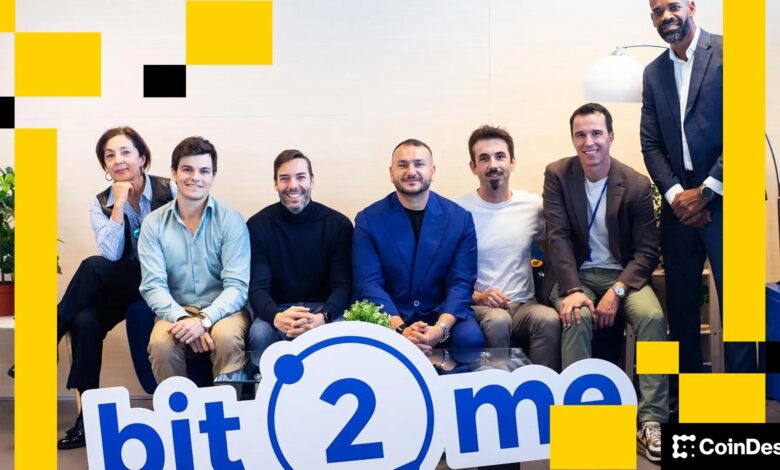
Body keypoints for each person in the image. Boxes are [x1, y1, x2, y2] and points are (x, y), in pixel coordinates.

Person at [544, 103, 668, 462]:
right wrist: (573, 290)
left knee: (653, 318)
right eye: (580, 134)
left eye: (596, 133)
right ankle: (581, 420)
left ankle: (652, 420)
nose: (589, 141)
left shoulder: (636, 184)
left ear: (610, 136)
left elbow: (647, 252)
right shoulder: (557, 175)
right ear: (573, 139)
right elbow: (557, 238)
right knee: (577, 315)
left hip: (623, 276)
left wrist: (617, 291)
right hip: (576, 274)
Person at [641, 0, 756, 373]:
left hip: (730, 195)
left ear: (691, 6)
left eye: (673, 6)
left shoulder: (732, 52)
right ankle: (690, 396)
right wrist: (678, 196)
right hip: (679, 204)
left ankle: (741, 399)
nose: (666, 16)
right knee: (681, 306)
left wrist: (706, 192)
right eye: (658, 11)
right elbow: (650, 143)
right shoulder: (653, 73)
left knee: (739, 309)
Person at [56, 127, 175, 449]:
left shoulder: (171, 189)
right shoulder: (102, 202)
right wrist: (119, 204)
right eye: (110, 156)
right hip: (126, 285)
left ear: (142, 158)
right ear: (105, 166)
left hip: (163, 283)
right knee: (84, 321)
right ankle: (88, 419)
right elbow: (111, 254)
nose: (118, 160)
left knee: (91, 266)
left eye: (125, 152)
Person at [353, 138, 485, 351]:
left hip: (441, 312)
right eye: (403, 165)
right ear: (391, 173)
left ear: (432, 171)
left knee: (470, 341)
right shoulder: (369, 219)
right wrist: (401, 330)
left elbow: (461, 282)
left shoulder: (460, 219)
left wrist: (440, 329)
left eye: (419, 164)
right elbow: (370, 283)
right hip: (392, 313)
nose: (411, 171)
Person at [138, 136, 251, 384]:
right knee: (161, 344)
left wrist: (204, 320)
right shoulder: (153, 224)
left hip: (224, 310)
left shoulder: (231, 220)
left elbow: (237, 287)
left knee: (226, 338)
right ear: (174, 173)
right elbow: (153, 286)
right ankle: (176, 408)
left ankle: (229, 406)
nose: (195, 177)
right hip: (176, 310)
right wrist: (184, 320)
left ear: (213, 176)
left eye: (204, 171)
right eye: (187, 169)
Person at [456, 125, 559, 369]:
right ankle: (499, 389)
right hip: (481, 306)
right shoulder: (459, 211)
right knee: (498, 320)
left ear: (512, 162)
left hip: (525, 305)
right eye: (484, 158)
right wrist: (478, 296)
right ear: (473, 166)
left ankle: (540, 388)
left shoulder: (533, 206)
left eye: (500, 156)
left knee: (549, 319)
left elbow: (554, 250)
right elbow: (447, 274)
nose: (493, 164)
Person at [247, 149, 352, 363]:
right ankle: (261, 385)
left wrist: (323, 317)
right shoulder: (257, 226)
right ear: (275, 183)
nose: (293, 185)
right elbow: (257, 287)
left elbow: (343, 285)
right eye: (284, 178)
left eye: (300, 177)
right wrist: (277, 317)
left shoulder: (338, 224)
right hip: (278, 310)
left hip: (324, 308)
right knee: (259, 333)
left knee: (342, 331)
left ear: (312, 180)